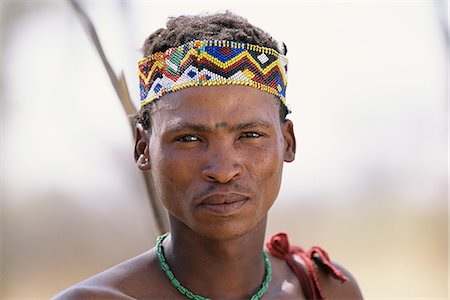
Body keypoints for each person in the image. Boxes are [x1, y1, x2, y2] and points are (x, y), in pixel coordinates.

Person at [54, 12, 363, 299]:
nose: (223, 169)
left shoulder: (324, 290)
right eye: (189, 138)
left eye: (250, 135)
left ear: (288, 142)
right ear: (143, 148)